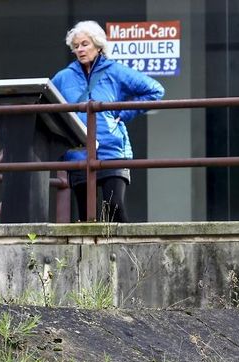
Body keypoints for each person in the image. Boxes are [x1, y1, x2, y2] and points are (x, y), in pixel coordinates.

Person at [51, 20, 164, 222]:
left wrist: (122, 112)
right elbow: (47, 106)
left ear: (98, 45)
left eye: (85, 44)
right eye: (76, 46)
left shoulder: (115, 71)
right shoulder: (63, 77)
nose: (80, 50)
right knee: (86, 216)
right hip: (78, 152)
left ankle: (124, 244)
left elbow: (155, 90)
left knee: (114, 207)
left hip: (112, 150)